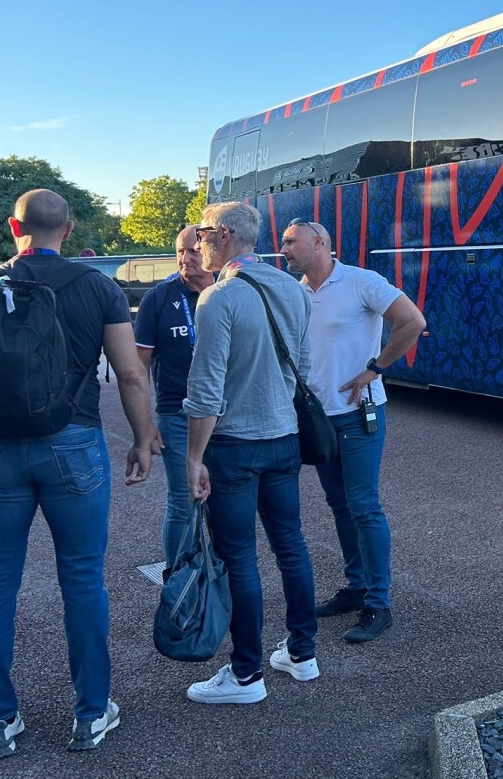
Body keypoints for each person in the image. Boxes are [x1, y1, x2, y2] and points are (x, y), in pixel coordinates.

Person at [0, 189, 159, 760]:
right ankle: (89, 714)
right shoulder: (98, 286)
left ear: (15, 226)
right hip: (73, 444)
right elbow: (130, 375)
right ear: (70, 227)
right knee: (82, 579)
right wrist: (140, 440)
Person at [183, 201, 319, 705]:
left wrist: (194, 456)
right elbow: (302, 364)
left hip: (234, 445)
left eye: (201, 234)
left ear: (222, 236)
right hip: (283, 438)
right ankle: (302, 653)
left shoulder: (219, 297)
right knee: (291, 543)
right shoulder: (293, 288)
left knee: (239, 557)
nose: (196, 244)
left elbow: (206, 388)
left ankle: (246, 675)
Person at [280, 218, 425, 644]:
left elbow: (412, 321)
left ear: (320, 242)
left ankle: (378, 604)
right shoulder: (296, 291)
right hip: (317, 418)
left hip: (359, 415)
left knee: (363, 506)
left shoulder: (362, 281)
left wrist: (374, 370)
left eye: (291, 242)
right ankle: (356, 585)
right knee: (340, 506)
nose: (284, 249)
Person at [134, 225, 216, 566]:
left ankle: (222, 581)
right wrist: (145, 424)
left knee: (226, 501)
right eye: (180, 251)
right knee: (183, 500)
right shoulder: (159, 297)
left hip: (226, 416)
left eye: (194, 251)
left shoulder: (230, 290)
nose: (186, 258)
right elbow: (138, 367)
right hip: (177, 415)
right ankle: (179, 584)